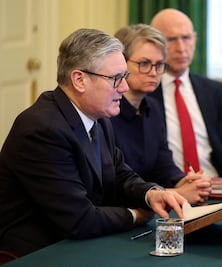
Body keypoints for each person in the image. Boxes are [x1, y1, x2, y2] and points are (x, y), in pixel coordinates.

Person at [0, 28, 186, 257]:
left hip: (77, 238)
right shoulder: (42, 128)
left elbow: (119, 174)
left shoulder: (97, 117)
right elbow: (79, 219)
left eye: (125, 77)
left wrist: (151, 193)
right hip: (38, 251)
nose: (124, 88)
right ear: (79, 80)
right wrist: (137, 214)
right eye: (116, 78)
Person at [149, 8, 222, 179]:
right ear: (155, 44)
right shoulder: (144, 93)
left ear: (195, 40)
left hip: (215, 186)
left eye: (186, 38)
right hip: (169, 191)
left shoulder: (214, 91)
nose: (181, 48)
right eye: (171, 40)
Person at [111, 24, 212, 204]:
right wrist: (172, 193)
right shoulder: (107, 112)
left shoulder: (153, 107)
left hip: (154, 201)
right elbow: (116, 180)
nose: (153, 73)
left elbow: (162, 162)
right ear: (121, 63)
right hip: (124, 208)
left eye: (159, 65)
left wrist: (184, 181)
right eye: (144, 64)